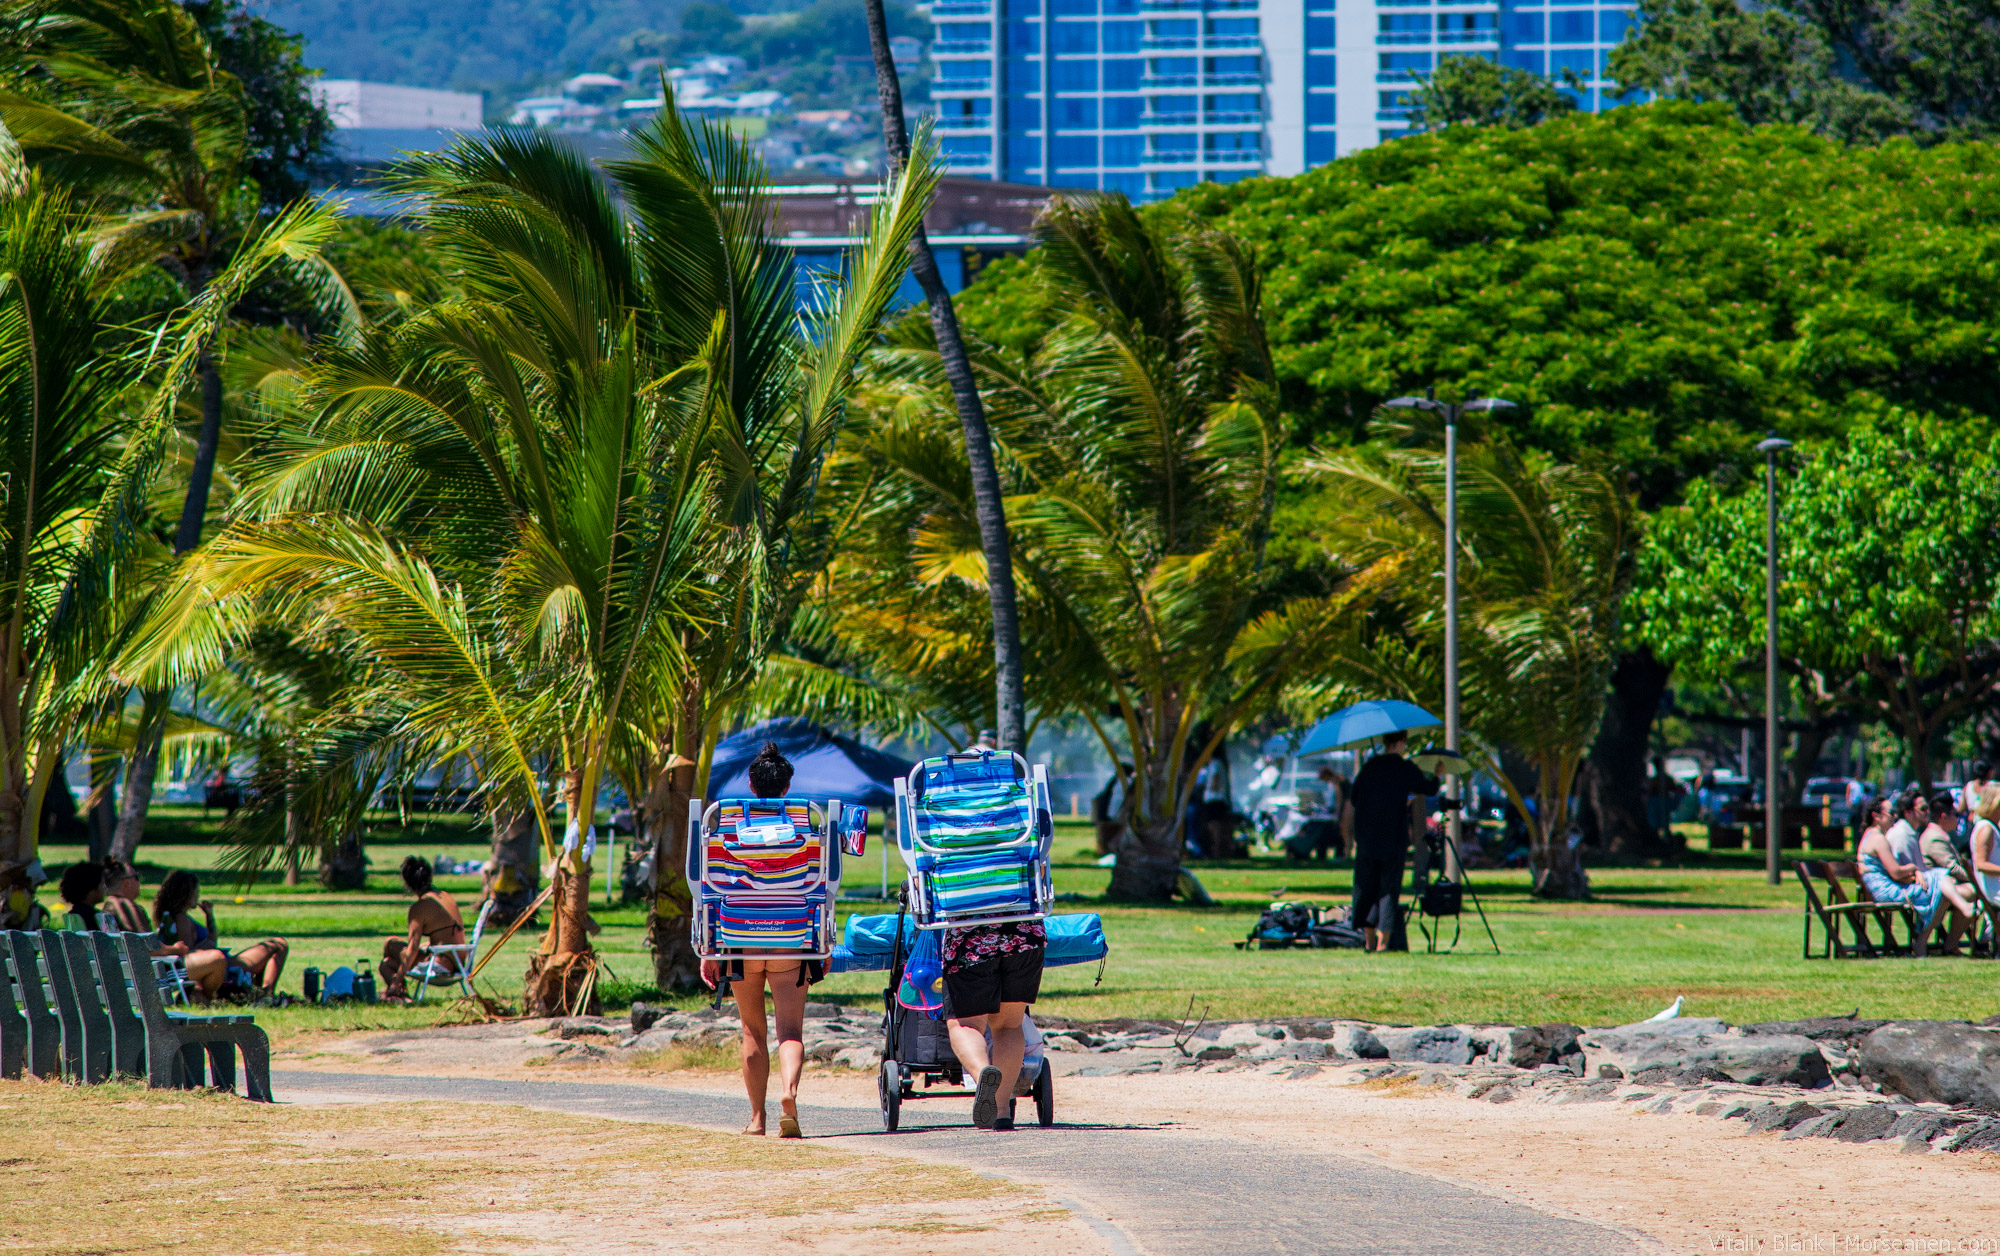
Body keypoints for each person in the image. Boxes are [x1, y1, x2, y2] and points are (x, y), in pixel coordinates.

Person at [701, 741, 814, 1137]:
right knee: (790, 1031)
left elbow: (712, 889)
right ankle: (789, 1093)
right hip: (790, 936)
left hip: (739, 937)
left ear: (751, 784)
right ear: (787, 787)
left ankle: (757, 1119)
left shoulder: (726, 824)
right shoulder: (805, 824)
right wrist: (824, 945)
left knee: (752, 1030)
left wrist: (710, 947)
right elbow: (819, 889)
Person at [943, 909, 1045, 1130]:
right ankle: (1001, 1112)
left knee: (965, 1024)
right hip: (1024, 937)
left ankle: (983, 1077)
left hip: (970, 940)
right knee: (1009, 1025)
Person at [1344, 731, 1439, 952]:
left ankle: (1368, 941)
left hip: (1367, 838)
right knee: (1388, 889)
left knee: (1366, 888)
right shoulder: (1405, 768)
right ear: (1400, 743)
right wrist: (1437, 774)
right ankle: (1384, 943)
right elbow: (1428, 789)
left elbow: (1355, 797)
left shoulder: (1369, 767)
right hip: (1393, 839)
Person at [1857, 794, 1976, 954]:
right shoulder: (1879, 838)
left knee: (1940, 880)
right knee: (1941, 880)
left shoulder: (1873, 835)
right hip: (1887, 892)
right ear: (1876, 816)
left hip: (1883, 890)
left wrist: (1915, 872)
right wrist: (1913, 868)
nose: (1894, 816)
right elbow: (1896, 872)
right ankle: (1924, 941)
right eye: (1890, 812)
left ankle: (1926, 941)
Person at [154, 870, 290, 1002]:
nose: (198, 895)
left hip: (220, 961)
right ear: (187, 893)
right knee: (278, 945)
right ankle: (266, 995)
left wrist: (209, 916)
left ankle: (263, 994)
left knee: (277, 945)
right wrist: (208, 945)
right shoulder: (180, 917)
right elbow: (187, 951)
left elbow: (210, 941)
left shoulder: (176, 916)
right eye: (196, 891)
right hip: (219, 964)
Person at [101, 859, 227, 992]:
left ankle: (201, 997)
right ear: (127, 882)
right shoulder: (125, 907)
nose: (140, 882)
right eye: (137, 877)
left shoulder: (111, 906)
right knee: (217, 958)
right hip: (152, 974)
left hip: (134, 971)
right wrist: (174, 949)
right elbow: (146, 945)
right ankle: (208, 998)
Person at [381, 855, 467, 1001]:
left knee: (390, 947)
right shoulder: (445, 896)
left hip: (441, 964)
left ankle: (399, 992)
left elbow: (412, 950)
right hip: (459, 961)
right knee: (388, 964)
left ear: (408, 884)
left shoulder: (419, 907)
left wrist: (397, 979)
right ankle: (399, 993)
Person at [1921, 791, 1969, 881]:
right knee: (1972, 891)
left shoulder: (1938, 834)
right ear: (1944, 817)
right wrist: (1976, 880)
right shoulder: (1935, 838)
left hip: (1948, 884)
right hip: (1942, 889)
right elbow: (1953, 868)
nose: (1957, 819)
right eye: (1955, 815)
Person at [57, 861, 104, 930]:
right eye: (102, 884)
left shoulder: (72, 915)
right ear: (91, 892)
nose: (104, 888)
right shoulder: (96, 918)